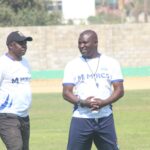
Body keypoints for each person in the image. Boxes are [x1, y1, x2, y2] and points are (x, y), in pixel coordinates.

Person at [62, 29, 124, 150]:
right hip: (81, 119)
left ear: (95, 42)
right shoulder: (72, 65)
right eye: (79, 43)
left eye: (85, 43)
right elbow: (66, 92)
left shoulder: (111, 63)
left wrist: (104, 103)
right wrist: (83, 102)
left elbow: (119, 90)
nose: (81, 46)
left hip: (105, 118)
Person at [0, 31, 33, 150]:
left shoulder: (25, 63)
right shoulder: (2, 63)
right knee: (16, 148)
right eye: (20, 43)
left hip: (24, 116)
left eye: (25, 43)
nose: (24, 45)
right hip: (7, 115)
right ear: (10, 45)